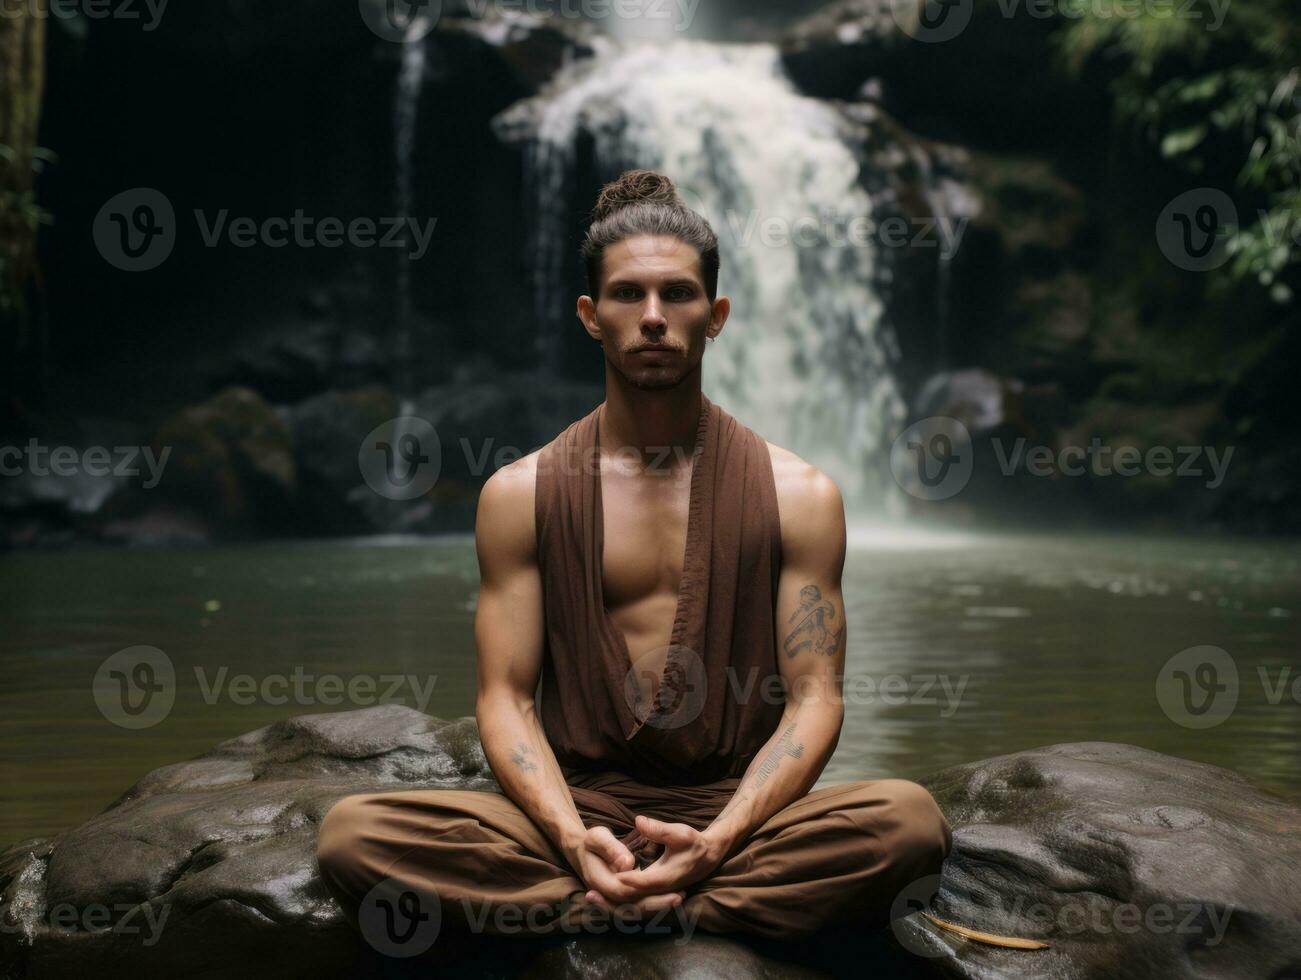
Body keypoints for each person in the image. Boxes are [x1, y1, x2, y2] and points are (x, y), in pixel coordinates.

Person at [315, 169, 951, 947]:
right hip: (576, 810)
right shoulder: (519, 496)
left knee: (906, 823)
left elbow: (815, 699)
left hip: (741, 815)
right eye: (627, 295)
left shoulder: (801, 495)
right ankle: (645, 894)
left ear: (715, 315)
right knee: (353, 833)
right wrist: (570, 836)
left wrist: (718, 839)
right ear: (589, 315)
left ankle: (633, 904)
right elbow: (505, 699)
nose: (653, 317)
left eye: (677, 294)